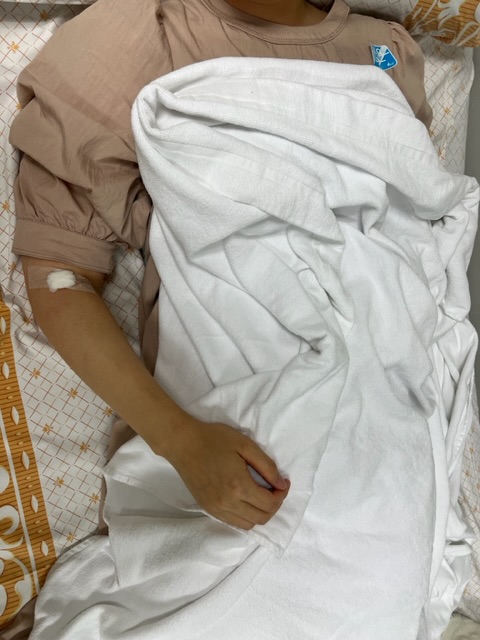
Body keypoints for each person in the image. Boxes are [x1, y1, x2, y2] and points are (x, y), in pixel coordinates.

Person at [9, 0, 432, 531]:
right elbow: (61, 277)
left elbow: (415, 224)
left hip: (391, 415)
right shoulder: (139, 33)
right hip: (231, 433)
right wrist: (181, 441)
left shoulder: (384, 53)